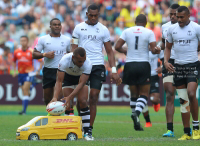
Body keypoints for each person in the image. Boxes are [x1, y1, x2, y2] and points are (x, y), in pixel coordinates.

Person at [71, 4, 122, 137]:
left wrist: (114, 70)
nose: (93, 18)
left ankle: (88, 130)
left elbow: (110, 52)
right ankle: (81, 124)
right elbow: (73, 49)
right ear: (87, 14)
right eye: (91, 15)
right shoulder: (78, 28)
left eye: (96, 15)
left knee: (93, 97)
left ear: (99, 15)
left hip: (98, 66)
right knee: (82, 101)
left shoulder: (104, 29)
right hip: (82, 66)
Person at [115, 14, 160, 131]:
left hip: (130, 64)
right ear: (145, 22)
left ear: (135, 22)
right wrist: (157, 49)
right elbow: (154, 50)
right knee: (144, 94)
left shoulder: (127, 31)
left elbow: (117, 46)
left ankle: (136, 123)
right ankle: (137, 113)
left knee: (134, 95)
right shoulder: (149, 32)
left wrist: (126, 51)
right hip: (143, 64)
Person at [164, 6, 200, 140]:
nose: (178, 19)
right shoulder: (172, 29)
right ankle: (187, 132)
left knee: (191, 94)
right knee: (183, 100)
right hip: (178, 67)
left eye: (181, 17)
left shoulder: (196, 28)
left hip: (192, 65)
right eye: (177, 17)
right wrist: (166, 62)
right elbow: (168, 47)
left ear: (188, 16)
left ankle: (196, 127)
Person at [51, 47, 93, 140]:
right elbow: (59, 81)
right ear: (73, 58)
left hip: (80, 79)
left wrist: (70, 96)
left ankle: (87, 132)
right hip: (68, 78)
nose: (82, 64)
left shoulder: (88, 63)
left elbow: (81, 83)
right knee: (68, 105)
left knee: (83, 101)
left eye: (83, 61)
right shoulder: (64, 60)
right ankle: (68, 131)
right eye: (79, 61)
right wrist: (55, 97)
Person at [33, 18, 71, 105]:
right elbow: (34, 54)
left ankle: (57, 117)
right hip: (48, 70)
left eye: (59, 24)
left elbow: (71, 54)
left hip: (61, 71)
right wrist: (45, 54)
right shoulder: (43, 39)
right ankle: (52, 116)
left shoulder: (67, 39)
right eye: (55, 25)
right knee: (47, 99)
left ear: (61, 26)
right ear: (50, 26)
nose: (57, 26)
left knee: (58, 98)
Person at [158, 4, 181, 137]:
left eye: (174, 14)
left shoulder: (189, 27)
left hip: (183, 62)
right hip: (168, 62)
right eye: (170, 14)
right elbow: (163, 44)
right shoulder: (165, 27)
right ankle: (170, 129)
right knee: (170, 94)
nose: (172, 17)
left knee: (184, 97)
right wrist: (157, 48)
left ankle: (188, 128)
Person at [13, 36, 39, 115]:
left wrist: (38, 70)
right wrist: (14, 71)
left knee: (25, 91)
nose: (23, 42)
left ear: (27, 42)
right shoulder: (16, 51)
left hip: (29, 73)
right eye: (21, 41)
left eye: (24, 41)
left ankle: (23, 111)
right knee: (23, 90)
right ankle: (32, 85)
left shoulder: (31, 51)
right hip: (21, 74)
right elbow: (14, 61)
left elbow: (41, 60)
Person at [142, 51, 162, 128]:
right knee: (142, 99)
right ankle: (148, 122)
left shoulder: (156, 49)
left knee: (154, 99)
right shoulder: (141, 47)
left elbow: (165, 58)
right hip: (143, 76)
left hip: (154, 76)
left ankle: (156, 103)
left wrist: (162, 66)